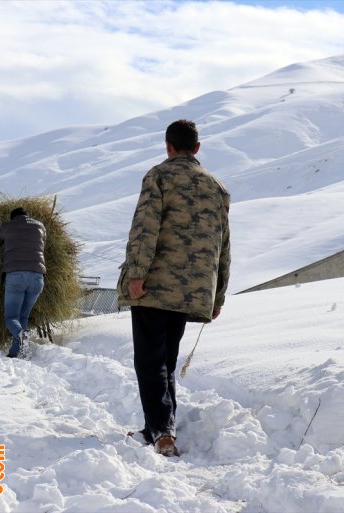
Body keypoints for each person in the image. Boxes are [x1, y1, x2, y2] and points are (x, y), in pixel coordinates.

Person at [117, 119, 231, 457]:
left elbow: (145, 228)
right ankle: (159, 427)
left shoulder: (159, 176)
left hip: (155, 285)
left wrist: (136, 274)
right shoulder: (217, 188)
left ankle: (162, 432)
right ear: (197, 148)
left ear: (168, 146)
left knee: (150, 362)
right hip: (191, 291)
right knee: (166, 359)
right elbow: (223, 246)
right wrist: (217, 294)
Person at [0, 207, 47, 358]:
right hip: (38, 277)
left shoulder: (8, 226)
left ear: (13, 217)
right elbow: (42, 244)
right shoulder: (40, 226)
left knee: (11, 317)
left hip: (16, 276)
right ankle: (17, 352)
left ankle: (21, 336)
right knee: (23, 317)